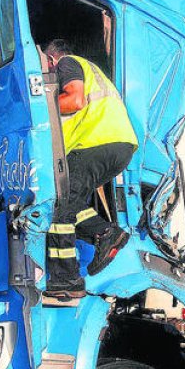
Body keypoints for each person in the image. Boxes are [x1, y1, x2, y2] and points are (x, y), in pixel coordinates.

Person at [43, 39, 139, 299]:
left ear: (51, 58)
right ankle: (105, 233)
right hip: (117, 146)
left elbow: (74, 100)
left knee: (60, 208)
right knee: (68, 203)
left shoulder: (67, 63)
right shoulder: (91, 69)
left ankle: (66, 278)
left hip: (96, 143)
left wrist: (38, 108)